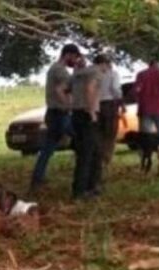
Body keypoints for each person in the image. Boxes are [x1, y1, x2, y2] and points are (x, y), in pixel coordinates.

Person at [29, 44, 82, 193]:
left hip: (54, 113)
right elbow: (68, 87)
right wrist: (69, 106)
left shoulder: (56, 68)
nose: (75, 60)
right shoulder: (59, 70)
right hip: (60, 114)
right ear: (67, 55)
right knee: (81, 140)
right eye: (75, 57)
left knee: (48, 148)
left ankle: (37, 178)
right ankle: (83, 176)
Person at [70, 56, 102, 201]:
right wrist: (91, 112)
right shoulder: (95, 72)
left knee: (88, 152)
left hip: (76, 114)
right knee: (88, 154)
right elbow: (90, 89)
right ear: (105, 64)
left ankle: (89, 187)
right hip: (86, 114)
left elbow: (65, 90)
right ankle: (81, 190)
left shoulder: (76, 75)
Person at [95, 54, 124, 168]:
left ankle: (97, 157)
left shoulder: (92, 75)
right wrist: (120, 99)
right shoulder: (113, 74)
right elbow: (115, 89)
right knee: (110, 133)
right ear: (106, 63)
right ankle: (106, 159)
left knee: (99, 133)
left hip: (96, 105)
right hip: (109, 105)